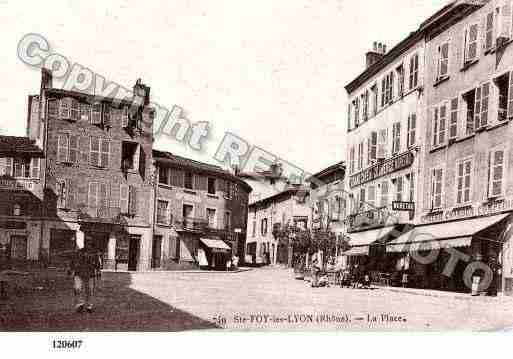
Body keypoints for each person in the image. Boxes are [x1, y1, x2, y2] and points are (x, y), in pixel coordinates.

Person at [69, 247, 102, 313]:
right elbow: (72, 263)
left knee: (89, 290)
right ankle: (80, 304)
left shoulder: (94, 254)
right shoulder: (77, 254)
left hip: (90, 274)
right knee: (77, 288)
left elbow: (97, 264)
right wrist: (71, 270)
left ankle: (89, 306)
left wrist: (98, 271)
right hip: (79, 273)